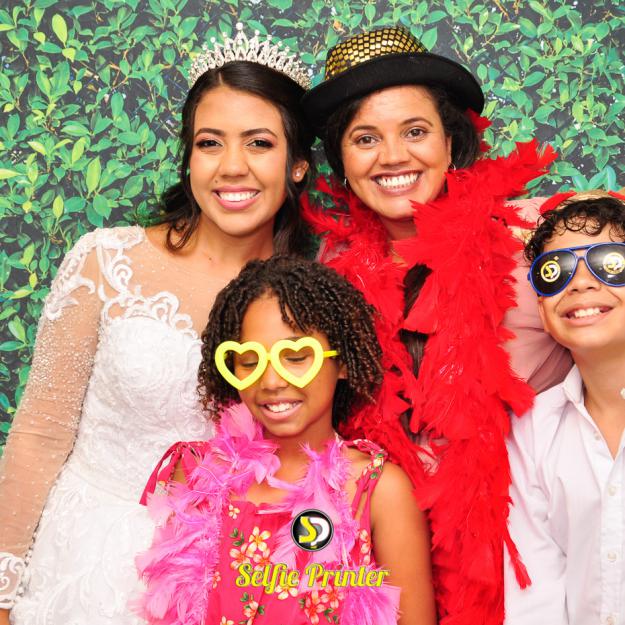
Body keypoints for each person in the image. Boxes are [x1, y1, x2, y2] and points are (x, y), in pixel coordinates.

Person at [0, 25, 314, 624]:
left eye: (259, 143)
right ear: (189, 158)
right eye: (210, 143)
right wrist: (2, 592)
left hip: (225, 579)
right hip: (81, 566)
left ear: (298, 164)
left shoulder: (314, 300)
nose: (233, 167)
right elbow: (40, 434)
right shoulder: (106, 261)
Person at [300, 26, 572, 625]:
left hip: (523, 558)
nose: (393, 156)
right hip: (384, 563)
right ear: (342, 163)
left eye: (415, 131)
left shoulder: (533, 241)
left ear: (451, 142)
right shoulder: (328, 281)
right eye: (365, 138)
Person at [136, 256, 437, 625]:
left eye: (294, 357)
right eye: (250, 361)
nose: (271, 381)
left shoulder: (378, 491)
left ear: (343, 362)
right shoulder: (199, 475)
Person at [505, 191, 625, 625]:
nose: (580, 284)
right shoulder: (533, 432)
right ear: (541, 307)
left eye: (609, 263)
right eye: (555, 272)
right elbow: (534, 601)